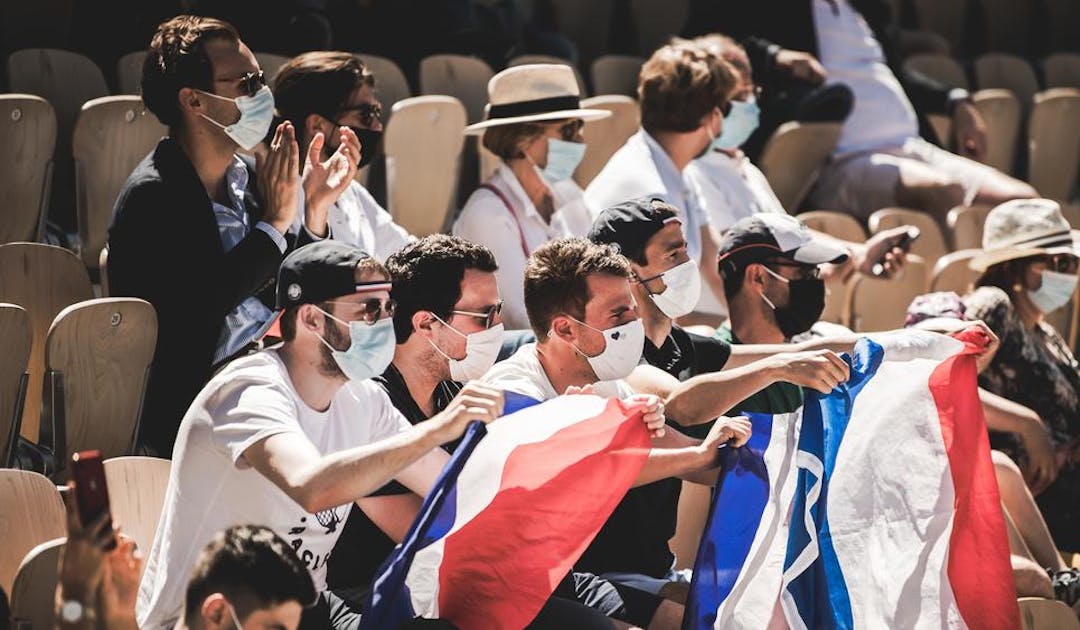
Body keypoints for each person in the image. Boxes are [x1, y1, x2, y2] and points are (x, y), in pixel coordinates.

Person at [136, 240, 504, 629]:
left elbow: (455, 491)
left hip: (301, 614)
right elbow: (309, 486)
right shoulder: (250, 390)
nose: (383, 324)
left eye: (387, 308)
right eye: (368, 310)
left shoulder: (361, 399)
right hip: (212, 619)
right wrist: (437, 430)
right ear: (311, 319)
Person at [716, 210, 1075, 603]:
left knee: (1004, 491)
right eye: (805, 273)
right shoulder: (725, 362)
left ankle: (1063, 585)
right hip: (817, 526)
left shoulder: (828, 338)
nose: (817, 283)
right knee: (1026, 581)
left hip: (876, 500)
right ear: (758, 278)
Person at [325, 234, 650, 629]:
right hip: (384, 597)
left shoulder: (455, 393)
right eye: (484, 316)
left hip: (473, 582)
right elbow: (431, 533)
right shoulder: (373, 404)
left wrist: (575, 429)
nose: (498, 326)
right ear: (427, 323)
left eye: (498, 311)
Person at [581, 197, 860, 597]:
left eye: (686, 251)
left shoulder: (680, 345)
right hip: (603, 574)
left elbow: (793, 352)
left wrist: (908, 343)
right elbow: (680, 404)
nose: (687, 264)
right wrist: (776, 369)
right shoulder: (611, 352)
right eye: (672, 253)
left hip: (659, 569)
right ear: (628, 270)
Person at [478, 236, 761, 626]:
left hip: (569, 576)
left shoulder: (604, 378)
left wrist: (745, 456)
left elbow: (683, 453)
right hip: (504, 586)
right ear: (565, 329)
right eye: (618, 315)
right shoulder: (512, 390)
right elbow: (584, 470)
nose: (635, 323)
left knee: (707, 614)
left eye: (633, 309)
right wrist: (693, 455)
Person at [108, 15, 358, 456]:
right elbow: (201, 306)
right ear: (194, 101)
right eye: (243, 83)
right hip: (202, 406)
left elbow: (291, 286)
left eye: (259, 79)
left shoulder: (246, 176)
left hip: (269, 379)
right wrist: (277, 223)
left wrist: (314, 207)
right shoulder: (156, 194)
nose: (260, 94)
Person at [682, 0, 1036, 219]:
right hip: (840, 159)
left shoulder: (864, 10)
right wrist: (778, 57)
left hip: (910, 145)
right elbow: (705, 38)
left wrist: (956, 101)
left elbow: (898, 75)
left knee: (1026, 203)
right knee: (943, 191)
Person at [686, 34, 910, 284]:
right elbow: (740, 263)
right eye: (738, 98)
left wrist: (859, 254)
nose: (748, 104)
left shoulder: (746, 168)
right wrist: (823, 271)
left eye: (751, 93)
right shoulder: (694, 173)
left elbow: (792, 235)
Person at [950, 198, 1080, 551]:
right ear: (1014, 266)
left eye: (1073, 263)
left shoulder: (1047, 334)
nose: (1068, 274)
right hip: (1026, 503)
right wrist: (1027, 424)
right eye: (1057, 263)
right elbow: (945, 384)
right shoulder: (994, 305)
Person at [453, 63, 610, 329]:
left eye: (579, 127)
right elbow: (521, 317)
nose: (580, 142)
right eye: (568, 130)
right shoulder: (488, 213)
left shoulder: (569, 194)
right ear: (521, 138)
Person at [584, 42, 733, 313]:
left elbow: (717, 266)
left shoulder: (680, 173)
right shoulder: (647, 190)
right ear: (713, 117)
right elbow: (649, 311)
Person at [272, 51, 415, 261]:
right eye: (366, 115)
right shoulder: (278, 204)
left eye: (376, 113)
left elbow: (406, 251)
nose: (377, 126)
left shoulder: (352, 192)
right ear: (317, 125)